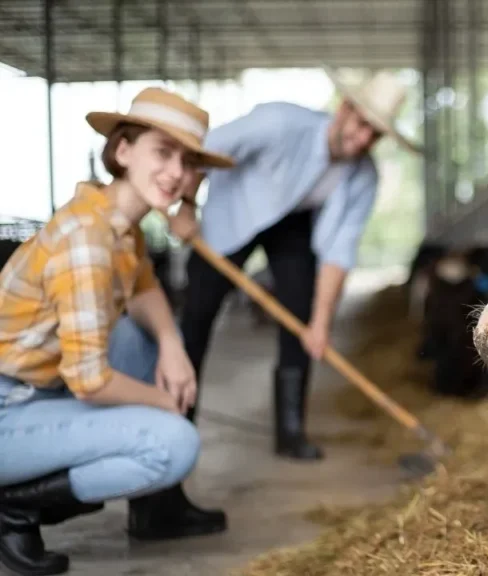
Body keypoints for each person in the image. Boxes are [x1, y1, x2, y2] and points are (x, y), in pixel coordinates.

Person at [0, 87, 234, 576]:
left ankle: (156, 510)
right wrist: (162, 401)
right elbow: (89, 381)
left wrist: (172, 345)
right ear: (123, 150)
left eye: (188, 162)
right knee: (175, 443)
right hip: (9, 407)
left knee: (140, 335)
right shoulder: (87, 240)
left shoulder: (119, 222)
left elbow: (144, 286)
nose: (176, 172)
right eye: (163, 153)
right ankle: (14, 507)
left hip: (35, 392)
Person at [174, 71, 420, 464]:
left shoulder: (364, 176)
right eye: (361, 125)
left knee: (301, 317)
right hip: (232, 213)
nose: (363, 140)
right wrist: (186, 206)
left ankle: (290, 432)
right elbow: (202, 149)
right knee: (197, 316)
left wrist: (320, 324)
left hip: (293, 224)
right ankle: (177, 425)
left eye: (375, 135)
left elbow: (339, 252)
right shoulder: (279, 123)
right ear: (345, 109)